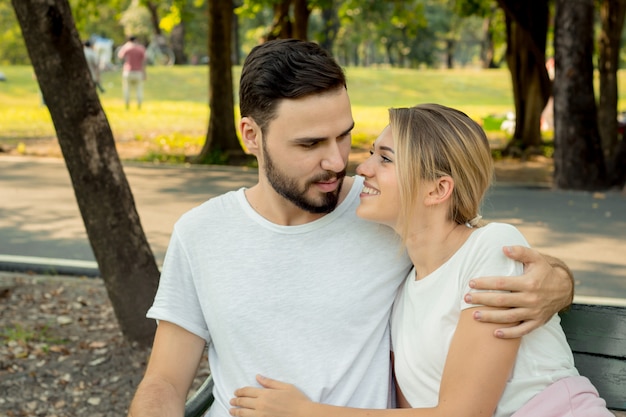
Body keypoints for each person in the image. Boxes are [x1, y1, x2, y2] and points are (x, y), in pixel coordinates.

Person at [127, 40, 574, 417]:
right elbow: (165, 380)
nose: (338, 162)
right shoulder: (201, 232)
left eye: (344, 135)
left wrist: (558, 282)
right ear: (251, 136)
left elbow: (472, 241)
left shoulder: (385, 210)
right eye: (310, 144)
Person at [229, 104, 611, 417]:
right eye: (369, 154)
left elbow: (463, 413)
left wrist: (306, 413)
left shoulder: (492, 247)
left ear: (438, 188)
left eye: (385, 159)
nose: (362, 170)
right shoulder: (404, 295)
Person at [117, 35, 146, 109]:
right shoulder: (140, 48)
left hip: (128, 71)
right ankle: (139, 104)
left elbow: (120, 56)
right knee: (139, 89)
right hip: (138, 71)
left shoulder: (126, 47)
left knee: (127, 89)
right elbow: (144, 61)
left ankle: (127, 104)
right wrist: (144, 73)